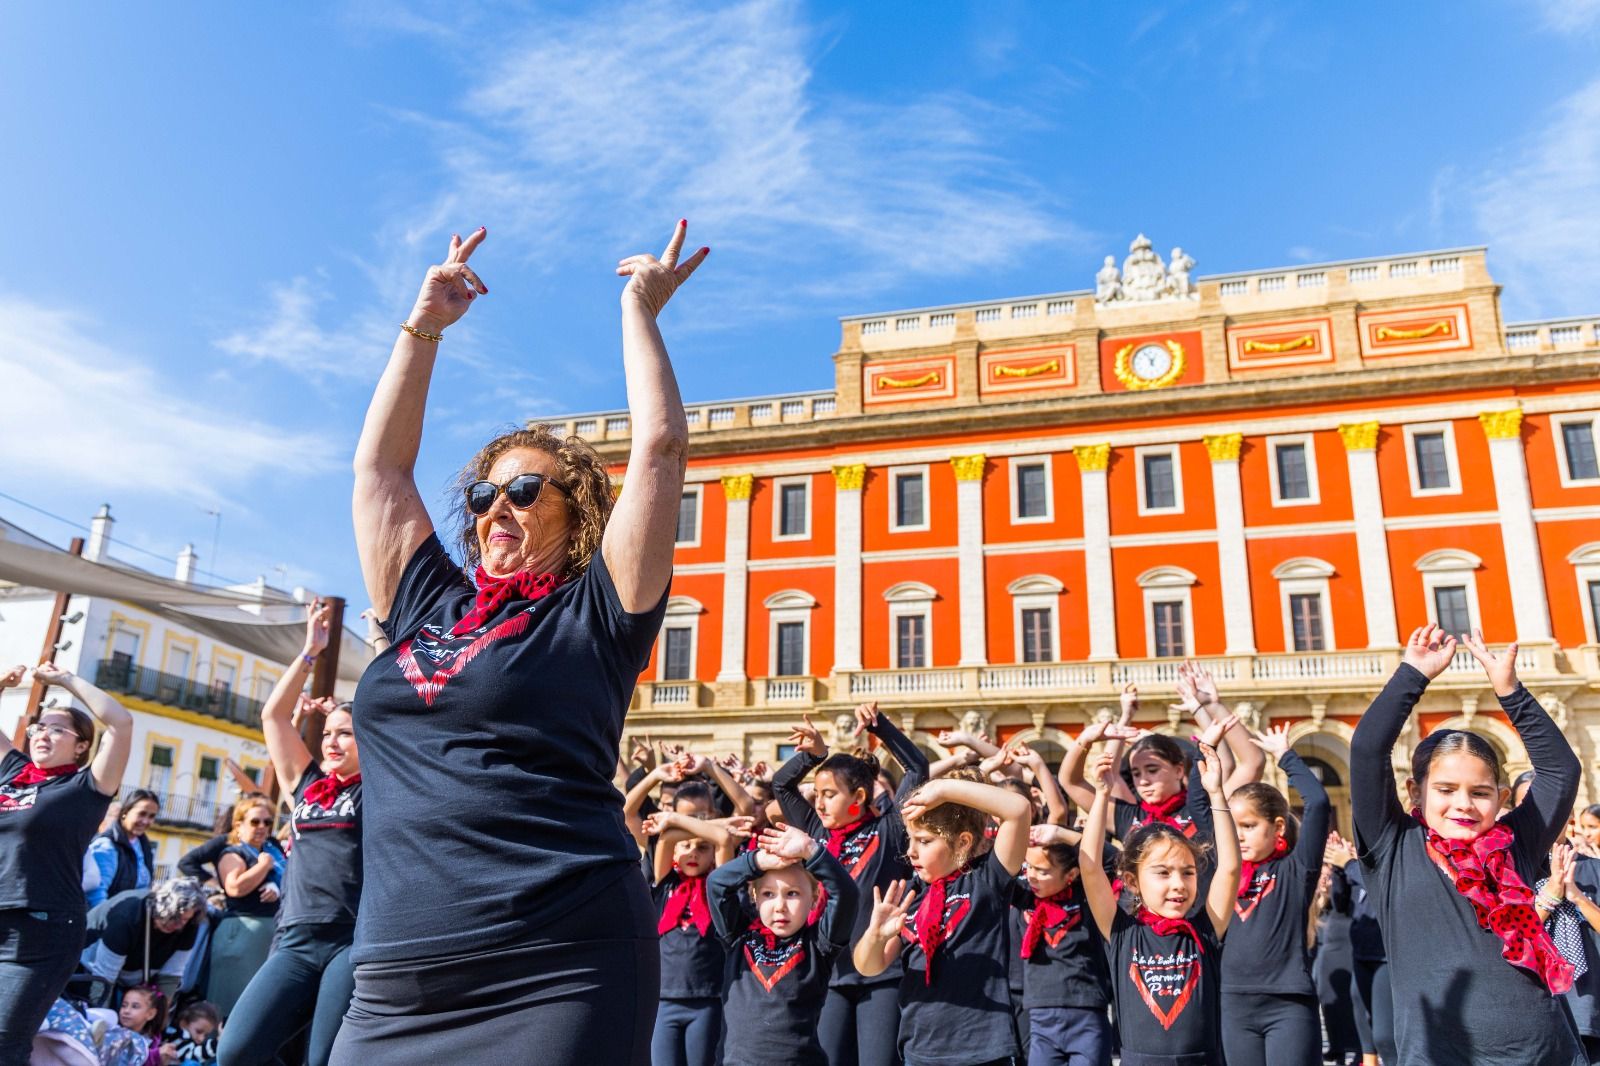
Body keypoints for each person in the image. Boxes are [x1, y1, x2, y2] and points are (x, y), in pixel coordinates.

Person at [330, 220, 707, 1065]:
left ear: (575, 514)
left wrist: (639, 308)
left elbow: (661, 449)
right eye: (481, 495)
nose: (495, 509)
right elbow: (379, 474)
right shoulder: (426, 601)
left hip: (558, 961)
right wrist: (424, 325)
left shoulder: (598, 613)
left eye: (526, 491)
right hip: (394, 976)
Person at [1352, 625, 1583, 1065]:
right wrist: (1412, 675)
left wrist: (1510, 692)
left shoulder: (1517, 843)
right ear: (1415, 792)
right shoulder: (1392, 845)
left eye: (1479, 792)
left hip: (1545, 1051)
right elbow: (1366, 751)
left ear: (1499, 796)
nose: (1464, 805)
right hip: (1437, 1055)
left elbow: (1560, 772)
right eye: (1445, 789)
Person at [218, 600, 363, 1066]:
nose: (331, 741)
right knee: (236, 1051)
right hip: (295, 939)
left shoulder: (382, 786)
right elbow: (273, 718)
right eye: (326, 734)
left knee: (322, 1059)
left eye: (345, 733)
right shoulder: (307, 787)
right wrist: (309, 652)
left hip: (352, 939)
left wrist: (384, 640)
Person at [772, 701, 931, 1066]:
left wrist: (881, 727)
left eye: (830, 795)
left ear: (858, 797)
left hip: (883, 976)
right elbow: (782, 784)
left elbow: (917, 767)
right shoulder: (816, 833)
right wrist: (815, 756)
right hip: (830, 976)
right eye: (818, 794)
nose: (820, 803)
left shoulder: (890, 829)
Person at [853, 769, 1034, 1066]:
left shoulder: (986, 879)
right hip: (920, 1049)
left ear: (962, 843)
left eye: (924, 841)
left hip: (983, 1051)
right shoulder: (908, 896)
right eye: (910, 839)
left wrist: (944, 789)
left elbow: (1018, 810)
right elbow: (869, 967)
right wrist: (875, 936)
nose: (911, 851)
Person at [0, 662, 131, 1066]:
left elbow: (122, 723)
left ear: (80, 746)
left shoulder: (86, 785)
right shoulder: (15, 773)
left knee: (5, 1045)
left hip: (41, 933)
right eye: (40, 726)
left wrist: (66, 681)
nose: (43, 733)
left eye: (58, 729)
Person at [1079, 740, 1240, 1066]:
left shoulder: (1206, 931)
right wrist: (1100, 795)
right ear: (1133, 881)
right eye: (1163, 873)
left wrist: (1217, 794)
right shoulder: (1122, 932)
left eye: (1188, 872)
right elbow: (1090, 866)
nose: (1178, 884)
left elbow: (1230, 867)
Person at [1219, 725, 1332, 1066]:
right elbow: (1201, 808)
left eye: (1249, 826)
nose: (1239, 836)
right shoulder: (1222, 875)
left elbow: (1319, 803)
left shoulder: (1295, 871)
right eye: (1233, 827)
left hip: (1288, 1006)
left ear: (1278, 828)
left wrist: (1285, 756)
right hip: (1232, 1005)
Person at [709, 824, 859, 1066]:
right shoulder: (738, 936)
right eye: (768, 894)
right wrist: (757, 861)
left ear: (814, 899)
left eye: (792, 894)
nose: (780, 906)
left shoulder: (819, 945)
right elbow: (716, 884)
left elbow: (847, 894)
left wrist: (810, 850)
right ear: (755, 898)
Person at [641, 806, 741, 1066]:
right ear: (675, 853)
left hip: (707, 1001)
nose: (693, 853)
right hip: (664, 1001)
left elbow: (723, 840)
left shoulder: (718, 887)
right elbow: (666, 838)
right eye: (685, 846)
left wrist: (673, 818)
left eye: (702, 848)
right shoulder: (666, 883)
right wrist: (708, 824)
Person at [1016, 824, 1114, 1066]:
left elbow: (1113, 860)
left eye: (1043, 871)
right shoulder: (1024, 896)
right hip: (1040, 1017)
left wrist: (1060, 834)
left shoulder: (1087, 896)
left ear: (1070, 875)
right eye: (1029, 868)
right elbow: (995, 870)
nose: (1032, 876)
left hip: (1087, 1016)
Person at [207, 797, 284, 1018]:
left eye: (267, 822)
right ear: (238, 824)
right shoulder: (233, 853)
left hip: (272, 930)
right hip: (243, 931)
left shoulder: (273, 850)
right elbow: (235, 888)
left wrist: (275, 887)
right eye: (255, 821)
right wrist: (263, 866)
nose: (262, 827)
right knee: (234, 1003)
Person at [81, 879, 208, 1005]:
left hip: (138, 976)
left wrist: (159, 1019)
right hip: (92, 966)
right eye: (173, 917)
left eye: (184, 919)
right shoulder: (126, 918)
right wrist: (99, 1016)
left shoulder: (190, 924)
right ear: (158, 907)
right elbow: (103, 979)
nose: (178, 925)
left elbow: (170, 976)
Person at [85, 790, 161, 908]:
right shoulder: (107, 846)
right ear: (125, 812)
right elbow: (96, 895)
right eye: (141, 814)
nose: (145, 821)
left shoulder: (143, 846)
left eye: (151, 816)